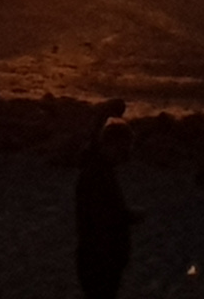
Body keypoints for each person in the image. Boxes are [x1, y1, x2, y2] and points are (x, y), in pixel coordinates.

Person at [75, 104, 139, 299]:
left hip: (99, 257)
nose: (125, 155)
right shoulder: (98, 174)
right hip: (101, 259)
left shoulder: (99, 169)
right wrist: (128, 216)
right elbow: (103, 217)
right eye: (123, 149)